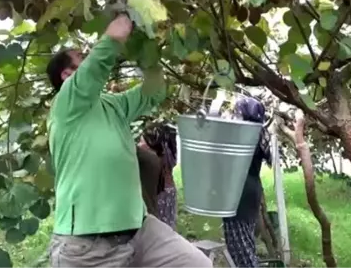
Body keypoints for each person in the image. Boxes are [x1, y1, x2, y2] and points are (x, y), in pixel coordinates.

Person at [45, 14, 211, 268]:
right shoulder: (65, 106)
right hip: (87, 244)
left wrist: (147, 53)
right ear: (68, 75)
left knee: (196, 264)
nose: (90, 56)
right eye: (82, 58)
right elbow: (94, 70)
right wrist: (112, 38)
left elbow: (153, 91)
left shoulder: (112, 104)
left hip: (138, 228)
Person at [223, 97, 272, 268]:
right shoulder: (258, 133)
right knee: (246, 243)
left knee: (241, 252)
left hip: (239, 194)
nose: (234, 115)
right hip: (251, 190)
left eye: (237, 112)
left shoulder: (242, 136)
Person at [138, 122, 179, 229]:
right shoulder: (168, 159)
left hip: (158, 204)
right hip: (168, 197)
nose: (139, 145)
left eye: (142, 141)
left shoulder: (152, 162)